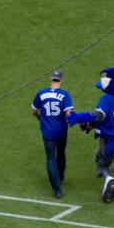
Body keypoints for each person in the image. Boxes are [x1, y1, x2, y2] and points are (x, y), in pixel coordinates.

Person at [67, 67, 114, 203]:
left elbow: (99, 116)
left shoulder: (107, 98)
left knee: (102, 161)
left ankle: (108, 179)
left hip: (111, 138)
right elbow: (111, 119)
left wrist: (79, 118)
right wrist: (93, 126)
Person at [31, 70, 74, 198]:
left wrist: (40, 117)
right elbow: (68, 113)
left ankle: (57, 189)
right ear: (61, 80)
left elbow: (34, 111)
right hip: (61, 131)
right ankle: (60, 178)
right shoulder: (65, 95)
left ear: (51, 79)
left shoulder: (41, 93)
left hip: (47, 132)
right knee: (61, 154)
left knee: (50, 158)